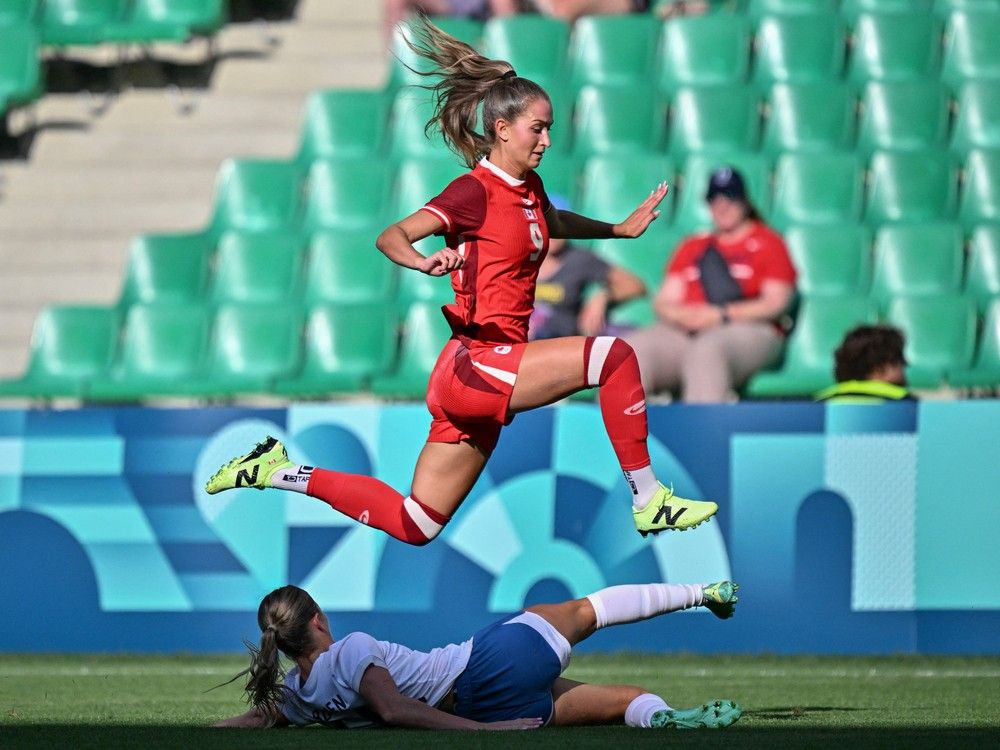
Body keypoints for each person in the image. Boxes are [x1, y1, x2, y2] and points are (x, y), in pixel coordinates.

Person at [206, 16, 719, 543]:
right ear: (501, 129)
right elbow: (392, 236)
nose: (545, 139)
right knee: (614, 358)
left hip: (481, 371)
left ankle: (275, 470)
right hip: (478, 365)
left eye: (548, 129)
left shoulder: (529, 188)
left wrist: (617, 229)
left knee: (416, 523)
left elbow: (549, 221)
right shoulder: (474, 191)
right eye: (535, 128)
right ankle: (648, 497)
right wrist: (422, 261)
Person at [212, 580, 742, 730]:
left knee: (625, 701)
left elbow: (265, 714)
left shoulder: (300, 696)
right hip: (487, 667)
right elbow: (394, 709)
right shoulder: (351, 650)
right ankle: (702, 593)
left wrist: (213, 729)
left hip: (489, 705)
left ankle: (663, 717)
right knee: (586, 610)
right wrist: (484, 735)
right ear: (318, 620)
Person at [625, 167, 797, 403]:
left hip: (749, 328)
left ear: (744, 202)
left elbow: (776, 303)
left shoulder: (769, 242)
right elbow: (665, 300)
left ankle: (699, 436)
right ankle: (621, 435)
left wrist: (720, 315)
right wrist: (682, 316)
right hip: (689, 329)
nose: (722, 205)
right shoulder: (693, 246)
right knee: (628, 352)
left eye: (730, 197)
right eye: (714, 198)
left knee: (707, 352)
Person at [530, 197, 647, 340]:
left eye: (556, 225)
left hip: (559, 341)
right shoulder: (519, 258)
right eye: (545, 224)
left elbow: (635, 285)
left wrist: (604, 297)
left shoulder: (580, 259)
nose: (552, 233)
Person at [815, 324, 913, 403]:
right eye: (900, 359)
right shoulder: (906, 403)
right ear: (878, 367)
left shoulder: (819, 401)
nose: (906, 364)